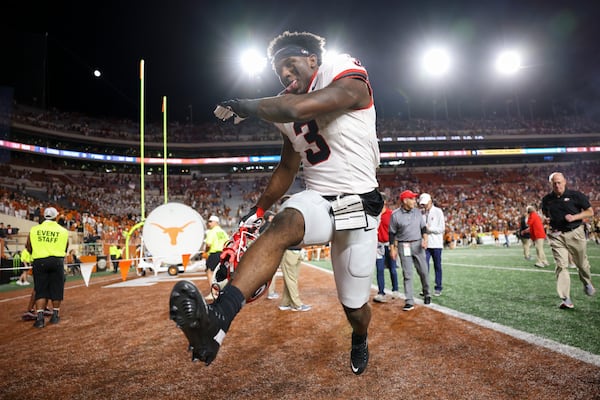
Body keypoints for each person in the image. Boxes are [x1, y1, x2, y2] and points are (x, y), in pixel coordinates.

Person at [169, 31, 383, 375]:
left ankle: (359, 337)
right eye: (278, 70)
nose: (284, 74)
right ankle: (217, 321)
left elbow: (297, 108)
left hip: (359, 204)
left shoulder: (342, 71)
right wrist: (257, 210)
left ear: (313, 59)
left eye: (289, 63)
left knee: (355, 308)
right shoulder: (283, 106)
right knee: (283, 223)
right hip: (318, 199)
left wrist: (247, 105)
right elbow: (287, 167)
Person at [541, 172, 596, 310]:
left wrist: (575, 216)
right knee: (561, 265)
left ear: (565, 181)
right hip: (556, 235)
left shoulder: (576, 195)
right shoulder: (547, 199)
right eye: (554, 183)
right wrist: (547, 219)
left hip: (575, 233)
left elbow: (590, 212)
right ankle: (566, 298)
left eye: (559, 182)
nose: (557, 185)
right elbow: (546, 213)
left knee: (582, 264)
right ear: (550, 184)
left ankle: (587, 282)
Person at [25, 207, 69, 328]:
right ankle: (55, 315)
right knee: (56, 288)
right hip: (56, 261)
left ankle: (40, 318)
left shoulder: (34, 229)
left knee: (40, 290)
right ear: (56, 217)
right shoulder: (63, 231)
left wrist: (38, 252)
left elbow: (28, 246)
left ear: (44, 216)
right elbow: (66, 247)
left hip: (39, 261)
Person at [389, 190, 431, 311]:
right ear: (404, 201)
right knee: (407, 274)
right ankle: (409, 300)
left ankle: (427, 293)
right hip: (404, 246)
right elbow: (391, 234)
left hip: (418, 244)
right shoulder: (395, 215)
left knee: (423, 271)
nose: (414, 201)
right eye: (411, 199)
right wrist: (392, 249)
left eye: (414, 199)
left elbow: (423, 228)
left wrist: (425, 240)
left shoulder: (417, 213)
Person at [373, 194, 399, 303]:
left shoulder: (391, 214)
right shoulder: (374, 215)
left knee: (392, 269)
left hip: (390, 245)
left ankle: (395, 289)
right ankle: (381, 292)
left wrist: (395, 247)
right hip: (378, 246)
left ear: (383, 202)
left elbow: (396, 232)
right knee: (379, 270)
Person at [419, 192, 445, 296]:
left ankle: (438, 287)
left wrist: (429, 229)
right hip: (426, 244)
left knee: (437, 266)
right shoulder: (422, 214)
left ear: (430, 201)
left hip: (437, 244)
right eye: (422, 204)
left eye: (425, 203)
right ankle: (425, 288)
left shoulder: (438, 212)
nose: (424, 205)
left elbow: (442, 228)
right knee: (424, 267)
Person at [204, 215, 230, 299]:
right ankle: (223, 291)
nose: (209, 223)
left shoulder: (211, 232)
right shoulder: (223, 232)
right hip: (223, 254)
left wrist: (205, 251)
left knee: (210, 272)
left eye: (211, 221)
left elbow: (208, 244)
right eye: (209, 221)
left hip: (214, 254)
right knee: (222, 273)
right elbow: (228, 242)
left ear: (216, 222)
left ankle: (214, 292)